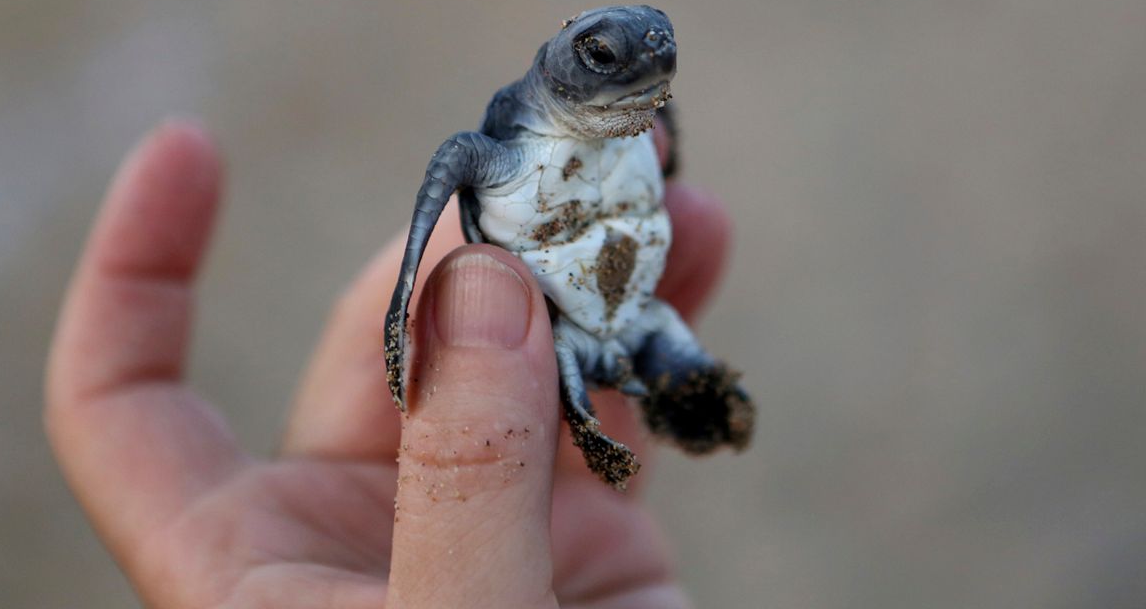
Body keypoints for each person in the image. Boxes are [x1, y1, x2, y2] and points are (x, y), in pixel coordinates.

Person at [45, 120, 732, 608]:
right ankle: (641, 413)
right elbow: (451, 177)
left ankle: (691, 407)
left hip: (626, 292)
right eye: (603, 59)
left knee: (650, 346)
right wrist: (405, 307)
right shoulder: (503, 141)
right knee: (571, 360)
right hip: (571, 316)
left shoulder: (629, 129)